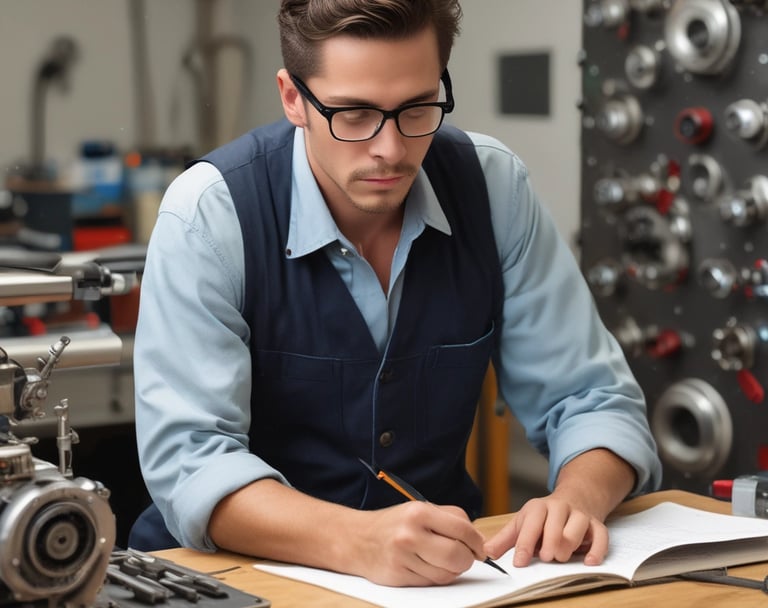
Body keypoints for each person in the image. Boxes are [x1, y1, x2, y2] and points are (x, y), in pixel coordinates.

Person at [130, 0, 662, 587]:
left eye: (417, 108)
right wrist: (356, 539)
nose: (389, 148)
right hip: (227, 582)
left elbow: (592, 399)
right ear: (292, 99)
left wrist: (578, 499)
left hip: (445, 584)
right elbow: (191, 461)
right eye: (354, 114)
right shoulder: (210, 213)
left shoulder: (493, 187)